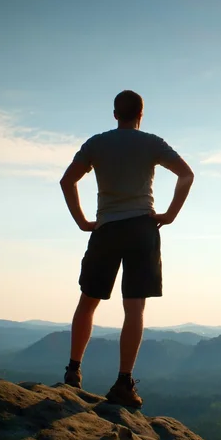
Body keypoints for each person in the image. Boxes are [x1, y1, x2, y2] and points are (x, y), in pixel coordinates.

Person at [58, 90, 194, 408]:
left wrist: (82, 221)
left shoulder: (96, 144)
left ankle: (73, 372)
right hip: (142, 230)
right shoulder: (151, 143)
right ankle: (123, 382)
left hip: (106, 229)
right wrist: (169, 215)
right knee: (134, 310)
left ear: (115, 114)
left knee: (88, 302)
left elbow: (67, 181)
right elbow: (187, 175)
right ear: (141, 114)